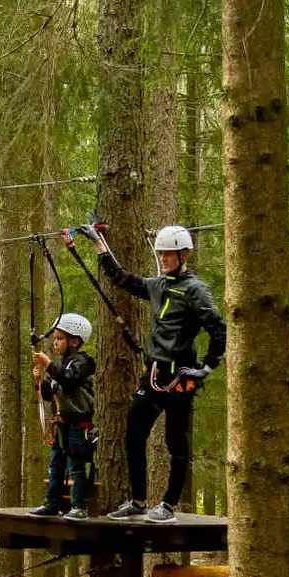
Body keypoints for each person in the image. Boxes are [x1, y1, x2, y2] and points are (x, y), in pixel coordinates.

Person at [70, 223, 225, 524]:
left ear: (184, 255)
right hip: (154, 374)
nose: (163, 258)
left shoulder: (195, 290)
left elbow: (217, 328)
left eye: (169, 254)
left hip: (180, 377)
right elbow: (122, 279)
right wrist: (99, 244)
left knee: (176, 442)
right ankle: (139, 501)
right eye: (161, 253)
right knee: (134, 434)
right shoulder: (158, 285)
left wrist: (207, 366)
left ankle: (168, 505)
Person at [28, 312, 98, 520]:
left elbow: (69, 380)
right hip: (62, 425)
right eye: (55, 338)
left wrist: (48, 364)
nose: (55, 342)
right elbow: (50, 393)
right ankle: (52, 503)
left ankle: (79, 506)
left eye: (60, 338)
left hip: (79, 424)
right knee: (56, 465)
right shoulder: (61, 364)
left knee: (76, 466)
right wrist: (40, 382)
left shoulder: (83, 363)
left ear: (74, 341)